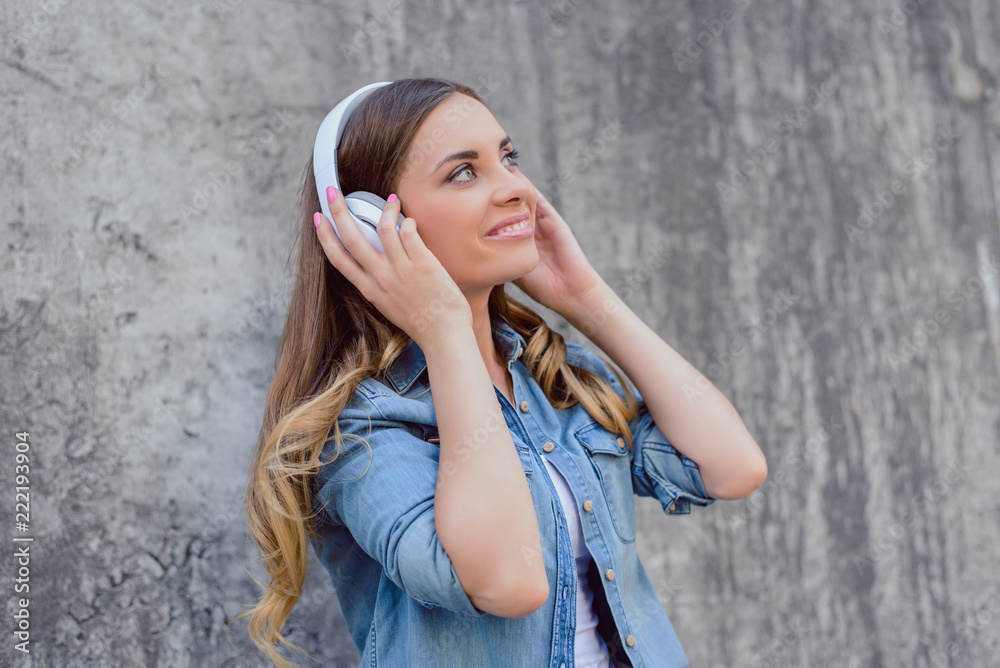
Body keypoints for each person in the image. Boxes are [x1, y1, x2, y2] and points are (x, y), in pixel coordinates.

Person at [239, 77, 768, 668]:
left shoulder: (554, 378)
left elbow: (730, 468)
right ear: (368, 227)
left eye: (508, 159)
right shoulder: (361, 425)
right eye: (464, 172)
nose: (516, 188)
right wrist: (443, 331)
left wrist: (587, 299)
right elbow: (510, 584)